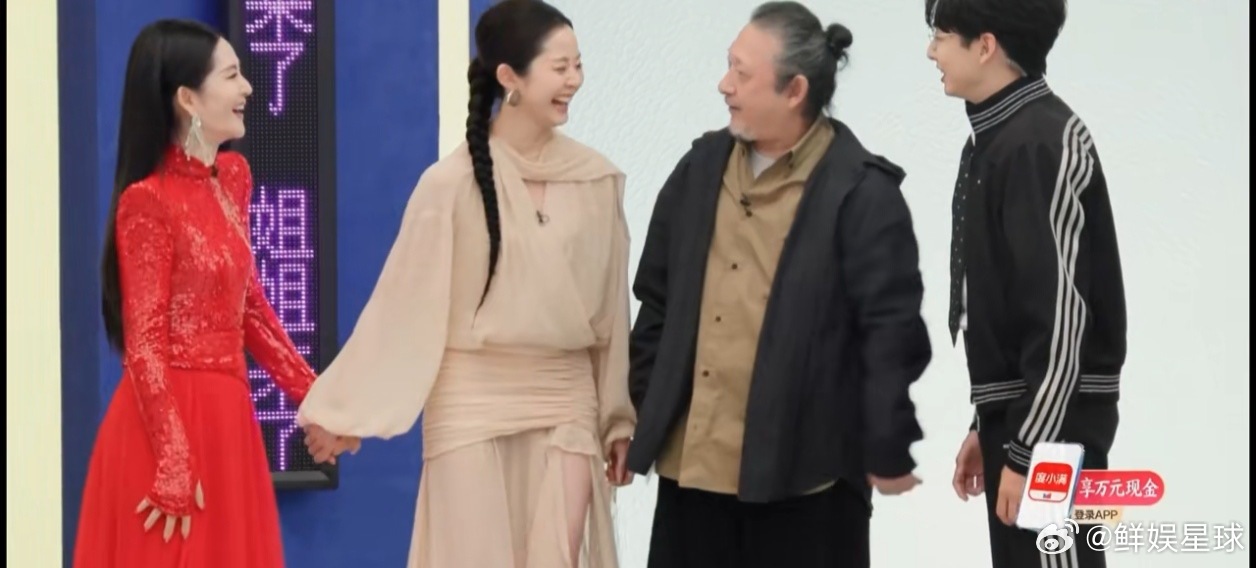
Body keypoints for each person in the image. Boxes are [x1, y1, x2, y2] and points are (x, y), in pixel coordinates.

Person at [296, 1, 636, 566]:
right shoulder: (449, 185)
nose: (574, 80)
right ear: (510, 77)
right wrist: (346, 415)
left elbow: (612, 314)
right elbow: (403, 308)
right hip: (471, 400)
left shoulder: (598, 180)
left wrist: (617, 419)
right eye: (559, 67)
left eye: (578, 65)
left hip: (565, 399)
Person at [624, 3, 932, 566]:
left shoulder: (861, 192)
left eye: (741, 73)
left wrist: (880, 442)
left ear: (794, 91)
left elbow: (892, 339)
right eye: (728, 66)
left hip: (808, 486)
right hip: (693, 477)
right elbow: (656, 303)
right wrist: (646, 405)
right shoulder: (699, 170)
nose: (724, 85)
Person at [71, 19, 345, 568]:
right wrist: (174, 458)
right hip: (165, 431)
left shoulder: (234, 178)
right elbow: (144, 344)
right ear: (188, 99)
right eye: (232, 75)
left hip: (228, 424)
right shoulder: (146, 202)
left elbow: (251, 308)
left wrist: (319, 402)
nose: (248, 88)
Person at [925, 0, 1127, 566]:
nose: (931, 52)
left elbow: (1060, 316)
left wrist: (1026, 449)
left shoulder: (1040, 141)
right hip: (1025, 422)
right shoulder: (996, 140)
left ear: (985, 46)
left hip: (1054, 436)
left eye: (941, 36)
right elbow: (1010, 305)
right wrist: (986, 421)